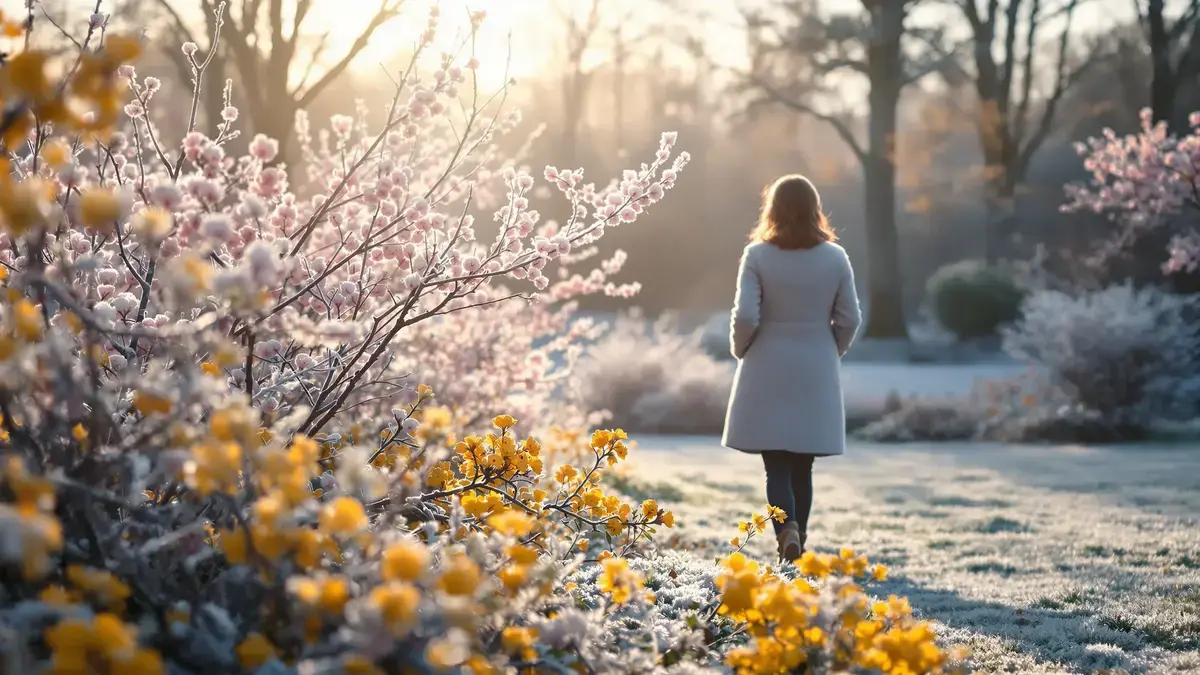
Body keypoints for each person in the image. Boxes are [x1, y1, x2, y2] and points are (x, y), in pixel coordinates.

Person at [721, 174, 863, 563]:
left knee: (776, 468)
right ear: (816, 209)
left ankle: (787, 533)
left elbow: (746, 314)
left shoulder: (757, 255)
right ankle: (797, 546)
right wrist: (830, 349)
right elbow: (850, 318)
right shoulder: (835, 257)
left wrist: (741, 350)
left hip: (766, 363)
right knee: (804, 466)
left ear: (773, 209)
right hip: (815, 364)